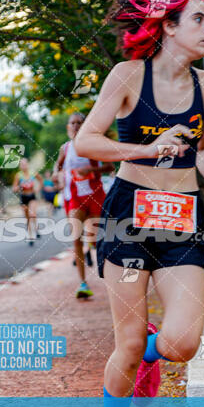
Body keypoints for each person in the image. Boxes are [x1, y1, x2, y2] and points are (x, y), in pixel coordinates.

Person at [74, 0, 204, 407]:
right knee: (122, 344)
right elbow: (87, 141)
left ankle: (147, 352)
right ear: (168, 26)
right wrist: (148, 149)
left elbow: (202, 148)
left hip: (182, 215)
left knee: (182, 344)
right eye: (199, 20)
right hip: (128, 215)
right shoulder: (127, 75)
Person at [53, 113, 115, 298]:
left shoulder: (94, 144)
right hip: (74, 197)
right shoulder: (65, 148)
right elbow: (57, 166)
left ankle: (111, 277)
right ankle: (82, 283)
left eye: (80, 123)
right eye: (72, 123)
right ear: (68, 127)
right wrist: (56, 175)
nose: (76, 126)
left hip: (95, 195)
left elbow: (110, 167)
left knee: (97, 240)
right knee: (76, 238)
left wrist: (92, 170)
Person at [12, 158, 43, 245]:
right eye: (22, 164)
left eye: (25, 164)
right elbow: (14, 188)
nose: (24, 166)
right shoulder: (18, 175)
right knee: (27, 218)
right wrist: (19, 187)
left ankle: (36, 229)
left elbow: (41, 180)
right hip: (23, 197)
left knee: (32, 214)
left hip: (32, 196)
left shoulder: (33, 173)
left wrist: (38, 189)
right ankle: (31, 236)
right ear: (19, 166)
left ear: (28, 164)